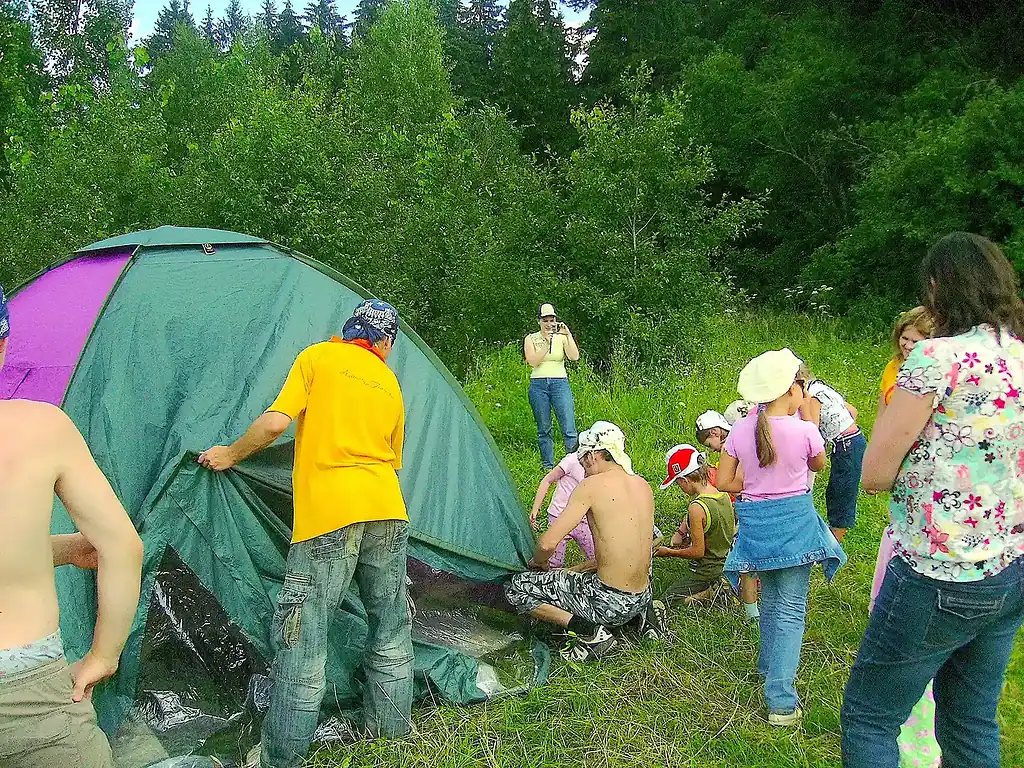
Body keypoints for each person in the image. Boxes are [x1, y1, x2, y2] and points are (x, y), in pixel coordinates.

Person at [199, 299, 414, 768]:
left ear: (348, 331)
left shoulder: (318, 356)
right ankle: (391, 737)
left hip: (329, 517)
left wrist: (231, 454)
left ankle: (281, 757)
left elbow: (277, 422)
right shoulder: (390, 383)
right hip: (388, 511)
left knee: (304, 642)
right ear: (385, 343)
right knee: (391, 628)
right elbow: (389, 459)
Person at [842, 233, 1024, 768]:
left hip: (938, 568)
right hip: (1010, 565)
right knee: (970, 720)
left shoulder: (934, 358)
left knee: (872, 716)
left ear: (939, 287)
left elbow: (874, 472)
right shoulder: (1019, 354)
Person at [0, 284, 145, 767]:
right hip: (27, 692)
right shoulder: (41, 428)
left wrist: (60, 549)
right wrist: (104, 655)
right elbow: (122, 547)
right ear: (3, 343)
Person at [716, 348, 847, 727]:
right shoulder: (805, 430)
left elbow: (725, 481)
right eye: (802, 387)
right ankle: (781, 702)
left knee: (772, 601)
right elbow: (819, 464)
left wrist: (755, 481)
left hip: (756, 524)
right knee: (790, 610)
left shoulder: (740, 430)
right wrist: (807, 422)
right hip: (793, 523)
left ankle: (767, 670)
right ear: (791, 389)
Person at [504, 422, 661, 660]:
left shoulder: (590, 486)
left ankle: (588, 632)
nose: (583, 468)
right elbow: (638, 546)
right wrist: (574, 569)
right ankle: (644, 620)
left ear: (597, 454)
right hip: (643, 595)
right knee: (580, 577)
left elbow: (547, 544)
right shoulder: (642, 485)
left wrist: (539, 564)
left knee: (515, 587)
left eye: (584, 461)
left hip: (609, 604)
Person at [695, 411, 760, 620]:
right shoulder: (749, 433)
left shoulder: (731, 446)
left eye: (709, 443)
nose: (711, 449)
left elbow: (731, 483)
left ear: (716, 432)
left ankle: (747, 606)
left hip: (748, 503)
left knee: (745, 557)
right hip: (764, 499)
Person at [655, 444, 736, 605]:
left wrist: (669, 552)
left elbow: (698, 552)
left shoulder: (697, 508)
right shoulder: (723, 494)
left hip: (706, 570)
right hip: (725, 563)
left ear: (685, 480)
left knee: (669, 600)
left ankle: (710, 594)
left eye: (678, 483)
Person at [797, 364, 865, 543]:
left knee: (841, 492)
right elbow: (852, 411)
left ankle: (833, 544)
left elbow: (812, 428)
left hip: (845, 445)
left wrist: (804, 409)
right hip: (855, 439)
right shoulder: (822, 388)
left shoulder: (811, 397)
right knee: (839, 488)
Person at [524, 303, 580, 470]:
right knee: (544, 428)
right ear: (539, 322)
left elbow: (574, 356)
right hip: (538, 384)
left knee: (569, 427)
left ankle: (572, 466)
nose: (549, 323)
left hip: (559, 382)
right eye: (545, 320)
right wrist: (546, 343)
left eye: (552, 320)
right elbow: (533, 361)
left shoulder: (561, 337)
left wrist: (568, 335)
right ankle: (548, 466)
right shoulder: (531, 338)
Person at [528, 451, 594, 568]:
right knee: (553, 563)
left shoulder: (601, 468)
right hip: (559, 516)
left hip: (583, 520)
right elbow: (547, 480)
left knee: (595, 557)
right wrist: (535, 509)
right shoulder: (572, 460)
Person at [876, 306, 934, 421]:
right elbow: (882, 410)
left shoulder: (935, 373)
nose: (908, 346)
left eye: (915, 342)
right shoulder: (893, 365)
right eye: (905, 338)